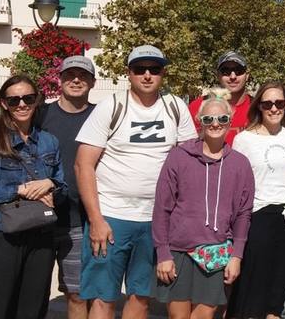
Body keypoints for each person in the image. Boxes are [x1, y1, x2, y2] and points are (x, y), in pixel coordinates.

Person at [75, 45, 197, 319]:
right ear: (129, 73)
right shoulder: (112, 106)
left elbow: (189, 165)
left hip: (156, 221)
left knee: (141, 296)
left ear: (163, 73)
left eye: (154, 69)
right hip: (111, 217)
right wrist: (96, 220)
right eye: (139, 69)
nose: (147, 75)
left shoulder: (176, 107)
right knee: (103, 298)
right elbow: (83, 164)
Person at [0, 75, 67, 319]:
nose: (22, 104)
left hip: (40, 237)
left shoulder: (49, 142)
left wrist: (51, 185)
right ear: (4, 104)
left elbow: (61, 189)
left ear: (37, 100)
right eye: (14, 99)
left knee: (30, 311)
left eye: (28, 98)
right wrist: (17, 190)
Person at [152, 89, 255, 319]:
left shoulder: (241, 164)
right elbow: (162, 208)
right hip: (179, 252)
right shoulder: (179, 157)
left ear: (230, 123)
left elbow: (243, 214)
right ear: (199, 123)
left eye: (222, 119)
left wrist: (236, 256)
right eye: (208, 119)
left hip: (216, 253)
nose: (215, 124)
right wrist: (163, 254)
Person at [229, 82, 285, 319]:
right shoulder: (243, 140)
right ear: (259, 106)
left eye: (279, 103)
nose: (273, 108)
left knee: (279, 295)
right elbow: (237, 189)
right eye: (267, 103)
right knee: (253, 291)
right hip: (257, 219)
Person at [40, 55, 97, 319]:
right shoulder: (41, 114)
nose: (76, 80)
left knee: (77, 292)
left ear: (93, 82)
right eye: (70, 75)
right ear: (60, 80)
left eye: (83, 75)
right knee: (33, 290)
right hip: (38, 218)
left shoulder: (101, 116)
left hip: (79, 220)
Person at [189, 51, 252, 145]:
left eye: (239, 71)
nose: (233, 76)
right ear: (217, 75)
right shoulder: (198, 106)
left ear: (247, 75)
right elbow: (190, 146)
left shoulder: (259, 107)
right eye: (226, 71)